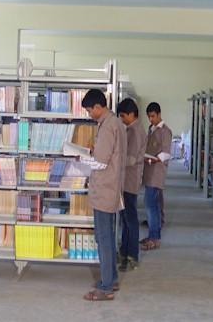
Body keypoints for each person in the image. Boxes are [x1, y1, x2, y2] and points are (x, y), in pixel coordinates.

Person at [81, 89, 127, 301]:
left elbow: (101, 162)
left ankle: (106, 286)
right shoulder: (113, 123)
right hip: (109, 188)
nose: (90, 114)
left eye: (90, 110)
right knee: (106, 236)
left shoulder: (108, 125)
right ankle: (112, 278)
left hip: (105, 189)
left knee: (104, 238)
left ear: (98, 107)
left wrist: (80, 158)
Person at [117, 98, 147, 271]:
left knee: (130, 219)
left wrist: (115, 159)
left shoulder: (135, 131)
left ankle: (132, 255)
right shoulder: (131, 129)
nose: (121, 119)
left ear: (131, 114)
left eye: (122, 116)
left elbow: (132, 159)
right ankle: (125, 251)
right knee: (126, 219)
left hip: (130, 181)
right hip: (127, 180)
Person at [141, 102, 172, 250]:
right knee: (154, 205)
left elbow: (166, 153)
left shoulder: (165, 131)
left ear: (159, 114)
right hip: (149, 170)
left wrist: (154, 158)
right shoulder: (151, 129)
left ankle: (154, 238)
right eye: (149, 117)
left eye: (153, 116)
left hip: (157, 172)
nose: (151, 119)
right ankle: (153, 234)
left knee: (150, 205)